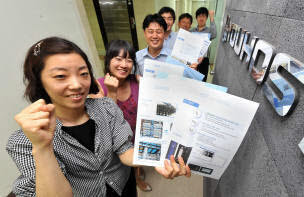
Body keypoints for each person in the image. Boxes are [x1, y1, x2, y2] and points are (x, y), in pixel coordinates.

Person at [6, 37, 191, 196]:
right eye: (61, 76)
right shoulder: (24, 141)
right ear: (39, 82)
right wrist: (42, 147)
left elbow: (125, 149)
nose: (77, 84)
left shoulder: (106, 107)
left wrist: (159, 161)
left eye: (83, 73)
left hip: (124, 187)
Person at [95, 40, 152, 192]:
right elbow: (107, 122)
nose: (124, 64)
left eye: (129, 60)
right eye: (118, 59)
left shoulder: (137, 81)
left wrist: (147, 85)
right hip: (116, 138)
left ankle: (138, 177)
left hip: (137, 131)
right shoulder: (99, 85)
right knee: (120, 166)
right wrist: (112, 92)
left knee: (136, 161)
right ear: (109, 60)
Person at [190, 7, 217, 82]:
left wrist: (212, 17)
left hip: (204, 59)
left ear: (206, 18)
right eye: (199, 16)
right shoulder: (192, 31)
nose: (201, 18)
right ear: (196, 18)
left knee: (202, 79)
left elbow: (214, 34)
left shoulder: (209, 31)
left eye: (203, 16)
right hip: (192, 58)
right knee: (191, 77)